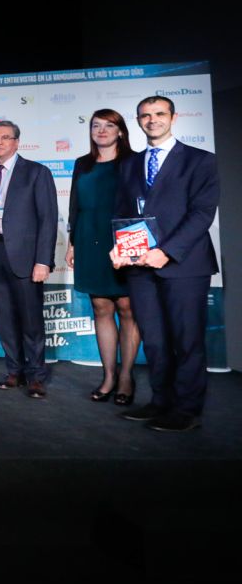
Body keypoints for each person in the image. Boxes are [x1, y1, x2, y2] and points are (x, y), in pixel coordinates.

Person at [112, 96, 218, 432]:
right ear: (138, 120)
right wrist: (119, 248)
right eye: (145, 115)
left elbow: (201, 213)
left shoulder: (200, 161)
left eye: (159, 114)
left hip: (184, 265)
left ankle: (186, 409)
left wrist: (167, 251)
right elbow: (123, 212)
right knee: (155, 339)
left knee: (186, 340)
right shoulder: (129, 164)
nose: (152, 120)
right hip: (139, 267)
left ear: (173, 117)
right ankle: (160, 401)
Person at [0, 121, 58, 398]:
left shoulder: (36, 172)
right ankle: (14, 371)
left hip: (26, 257)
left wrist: (43, 261)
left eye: (5, 137)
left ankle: (36, 376)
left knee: (31, 319)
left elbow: (48, 220)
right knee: (5, 317)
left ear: (16, 142)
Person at [66, 109, 140, 405]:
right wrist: (72, 243)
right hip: (88, 237)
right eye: (96, 125)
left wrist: (134, 243)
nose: (102, 130)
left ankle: (126, 377)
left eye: (109, 125)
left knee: (126, 306)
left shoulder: (133, 162)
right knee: (100, 306)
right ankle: (109, 375)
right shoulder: (82, 164)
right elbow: (75, 206)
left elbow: (141, 204)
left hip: (124, 238)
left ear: (120, 130)